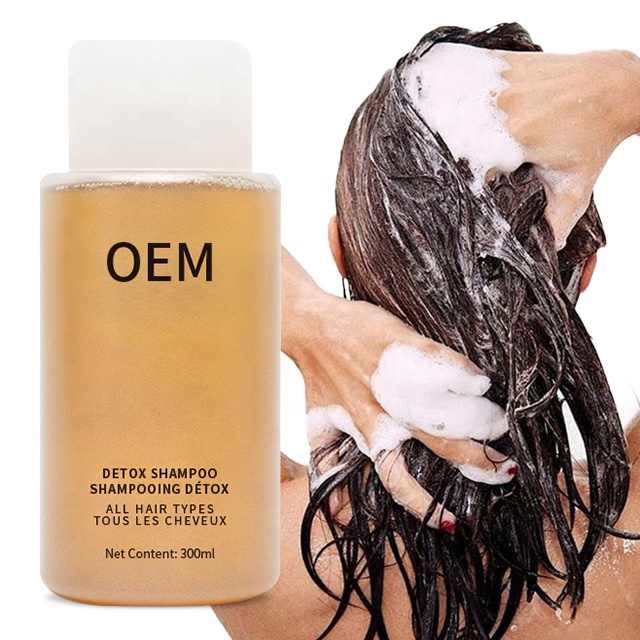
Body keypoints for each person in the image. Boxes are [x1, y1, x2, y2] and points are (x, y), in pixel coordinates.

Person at [215, 24, 640, 640]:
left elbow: (126, 245)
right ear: (588, 266)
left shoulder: (251, 551)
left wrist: (305, 317)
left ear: (338, 250)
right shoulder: (627, 544)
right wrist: (625, 84)